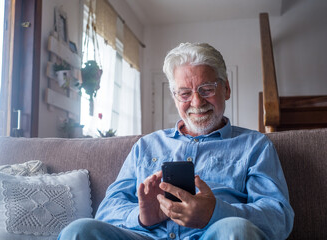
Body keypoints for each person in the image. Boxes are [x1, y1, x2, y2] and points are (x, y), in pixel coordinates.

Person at [58, 42, 294, 240]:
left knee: (236, 230)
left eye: (207, 89)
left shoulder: (255, 146)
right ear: (174, 97)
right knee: (78, 231)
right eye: (185, 93)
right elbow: (107, 210)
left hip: (213, 234)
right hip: (148, 235)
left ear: (227, 89)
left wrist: (215, 212)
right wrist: (142, 217)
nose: (197, 102)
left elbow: (279, 217)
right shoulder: (145, 146)